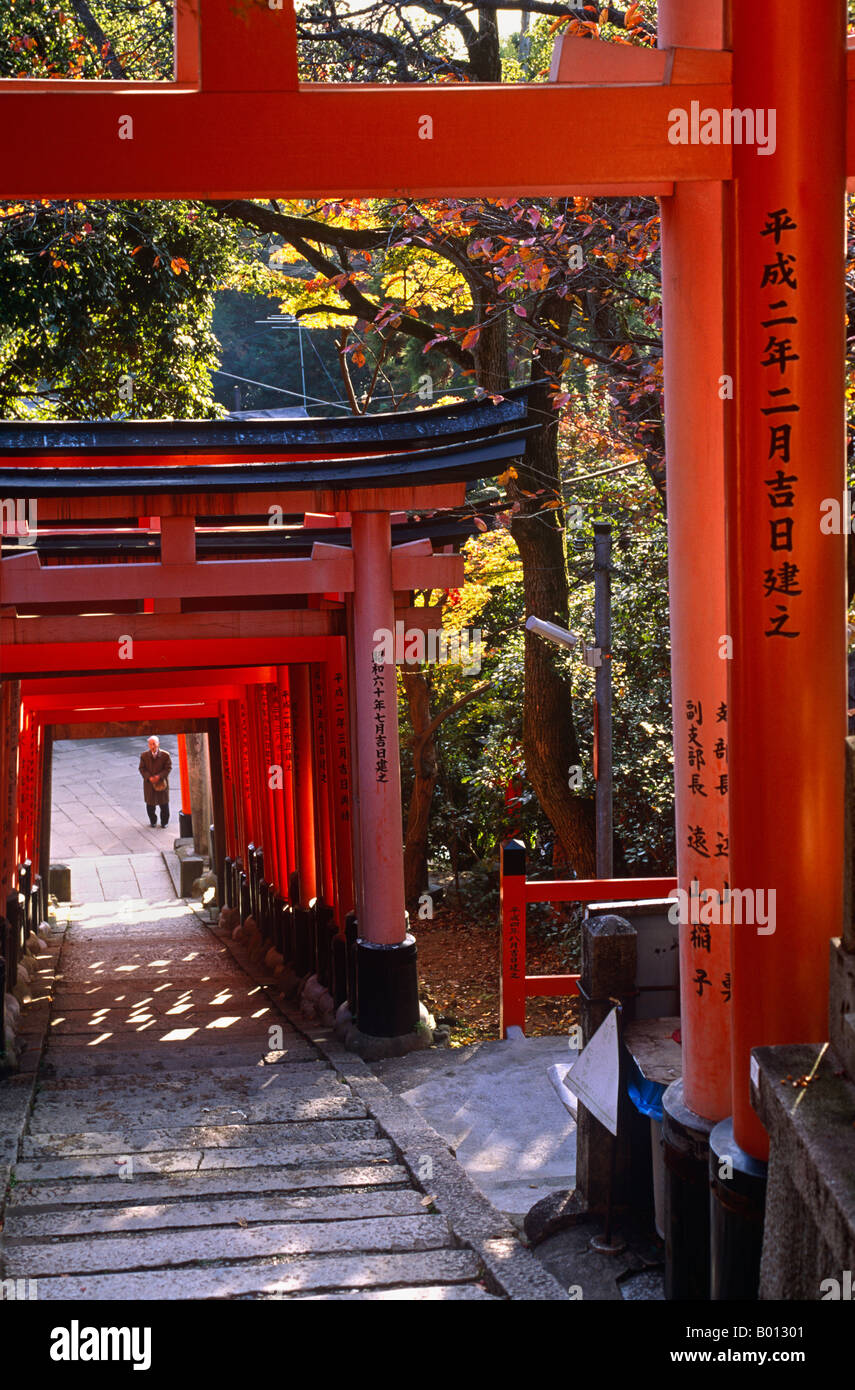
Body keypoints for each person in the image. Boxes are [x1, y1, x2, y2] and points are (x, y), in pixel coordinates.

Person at [139, 735, 172, 828]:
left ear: (158, 744)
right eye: (150, 744)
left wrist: (159, 776)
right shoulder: (144, 756)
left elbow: (168, 768)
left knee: (164, 804)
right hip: (149, 784)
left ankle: (164, 822)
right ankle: (153, 821)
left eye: (154, 744)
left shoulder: (165, 755)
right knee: (150, 805)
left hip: (162, 783)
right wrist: (149, 777)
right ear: (148, 745)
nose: (152, 746)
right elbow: (142, 768)